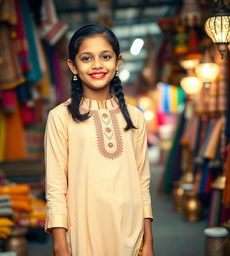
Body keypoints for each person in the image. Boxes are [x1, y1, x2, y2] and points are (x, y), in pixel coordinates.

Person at [44, 24, 154, 256]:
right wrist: (60, 244)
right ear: (73, 66)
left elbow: (143, 183)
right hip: (83, 232)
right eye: (86, 58)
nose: (97, 65)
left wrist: (149, 242)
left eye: (105, 56)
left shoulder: (135, 117)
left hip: (130, 231)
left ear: (118, 62)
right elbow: (55, 187)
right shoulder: (60, 117)